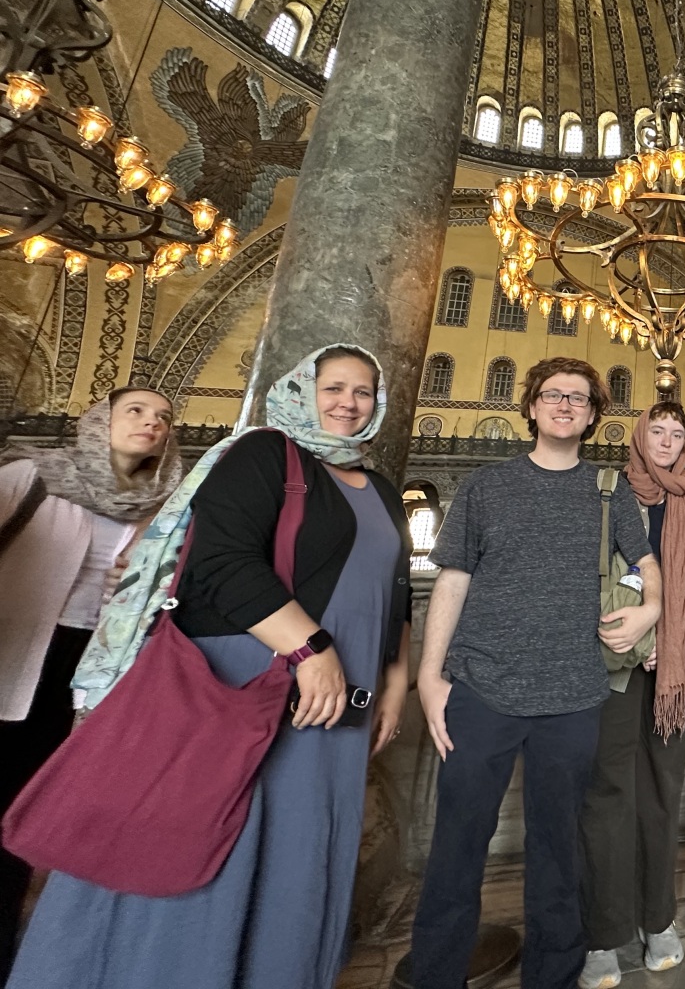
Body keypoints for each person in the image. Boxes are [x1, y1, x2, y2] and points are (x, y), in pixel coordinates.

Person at [7, 345, 413, 989]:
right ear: (302, 390)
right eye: (333, 387)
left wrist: (394, 685)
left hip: (340, 698)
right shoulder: (262, 455)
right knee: (211, 830)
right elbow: (223, 563)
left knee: (303, 849)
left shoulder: (384, 488)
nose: (348, 402)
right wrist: (310, 650)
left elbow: (393, 594)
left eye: (363, 392)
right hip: (252, 678)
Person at [413, 357, 657, 989]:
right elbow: (454, 579)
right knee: (458, 844)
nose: (565, 405)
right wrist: (428, 675)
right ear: (529, 407)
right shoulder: (485, 485)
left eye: (579, 398)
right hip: (481, 686)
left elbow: (648, 567)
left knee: (557, 848)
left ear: (594, 415)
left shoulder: (609, 489)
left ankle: (551, 976)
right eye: (553, 394)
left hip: (573, 693)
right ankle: (437, 974)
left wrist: (649, 610)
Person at [0, 387, 182, 980]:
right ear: (100, 421)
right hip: (14, 654)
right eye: (135, 411)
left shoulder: (163, 509)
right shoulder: (32, 479)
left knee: (27, 813)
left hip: (82, 670)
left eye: (161, 418)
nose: (150, 424)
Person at [580, 403, 685, 989]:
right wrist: (639, 642)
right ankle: (605, 933)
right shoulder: (607, 490)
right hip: (613, 664)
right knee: (608, 792)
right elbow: (587, 573)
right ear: (639, 436)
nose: (665, 441)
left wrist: (674, 644)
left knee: (662, 791)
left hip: (673, 671)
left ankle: (658, 920)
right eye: (656, 431)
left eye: (676, 434)